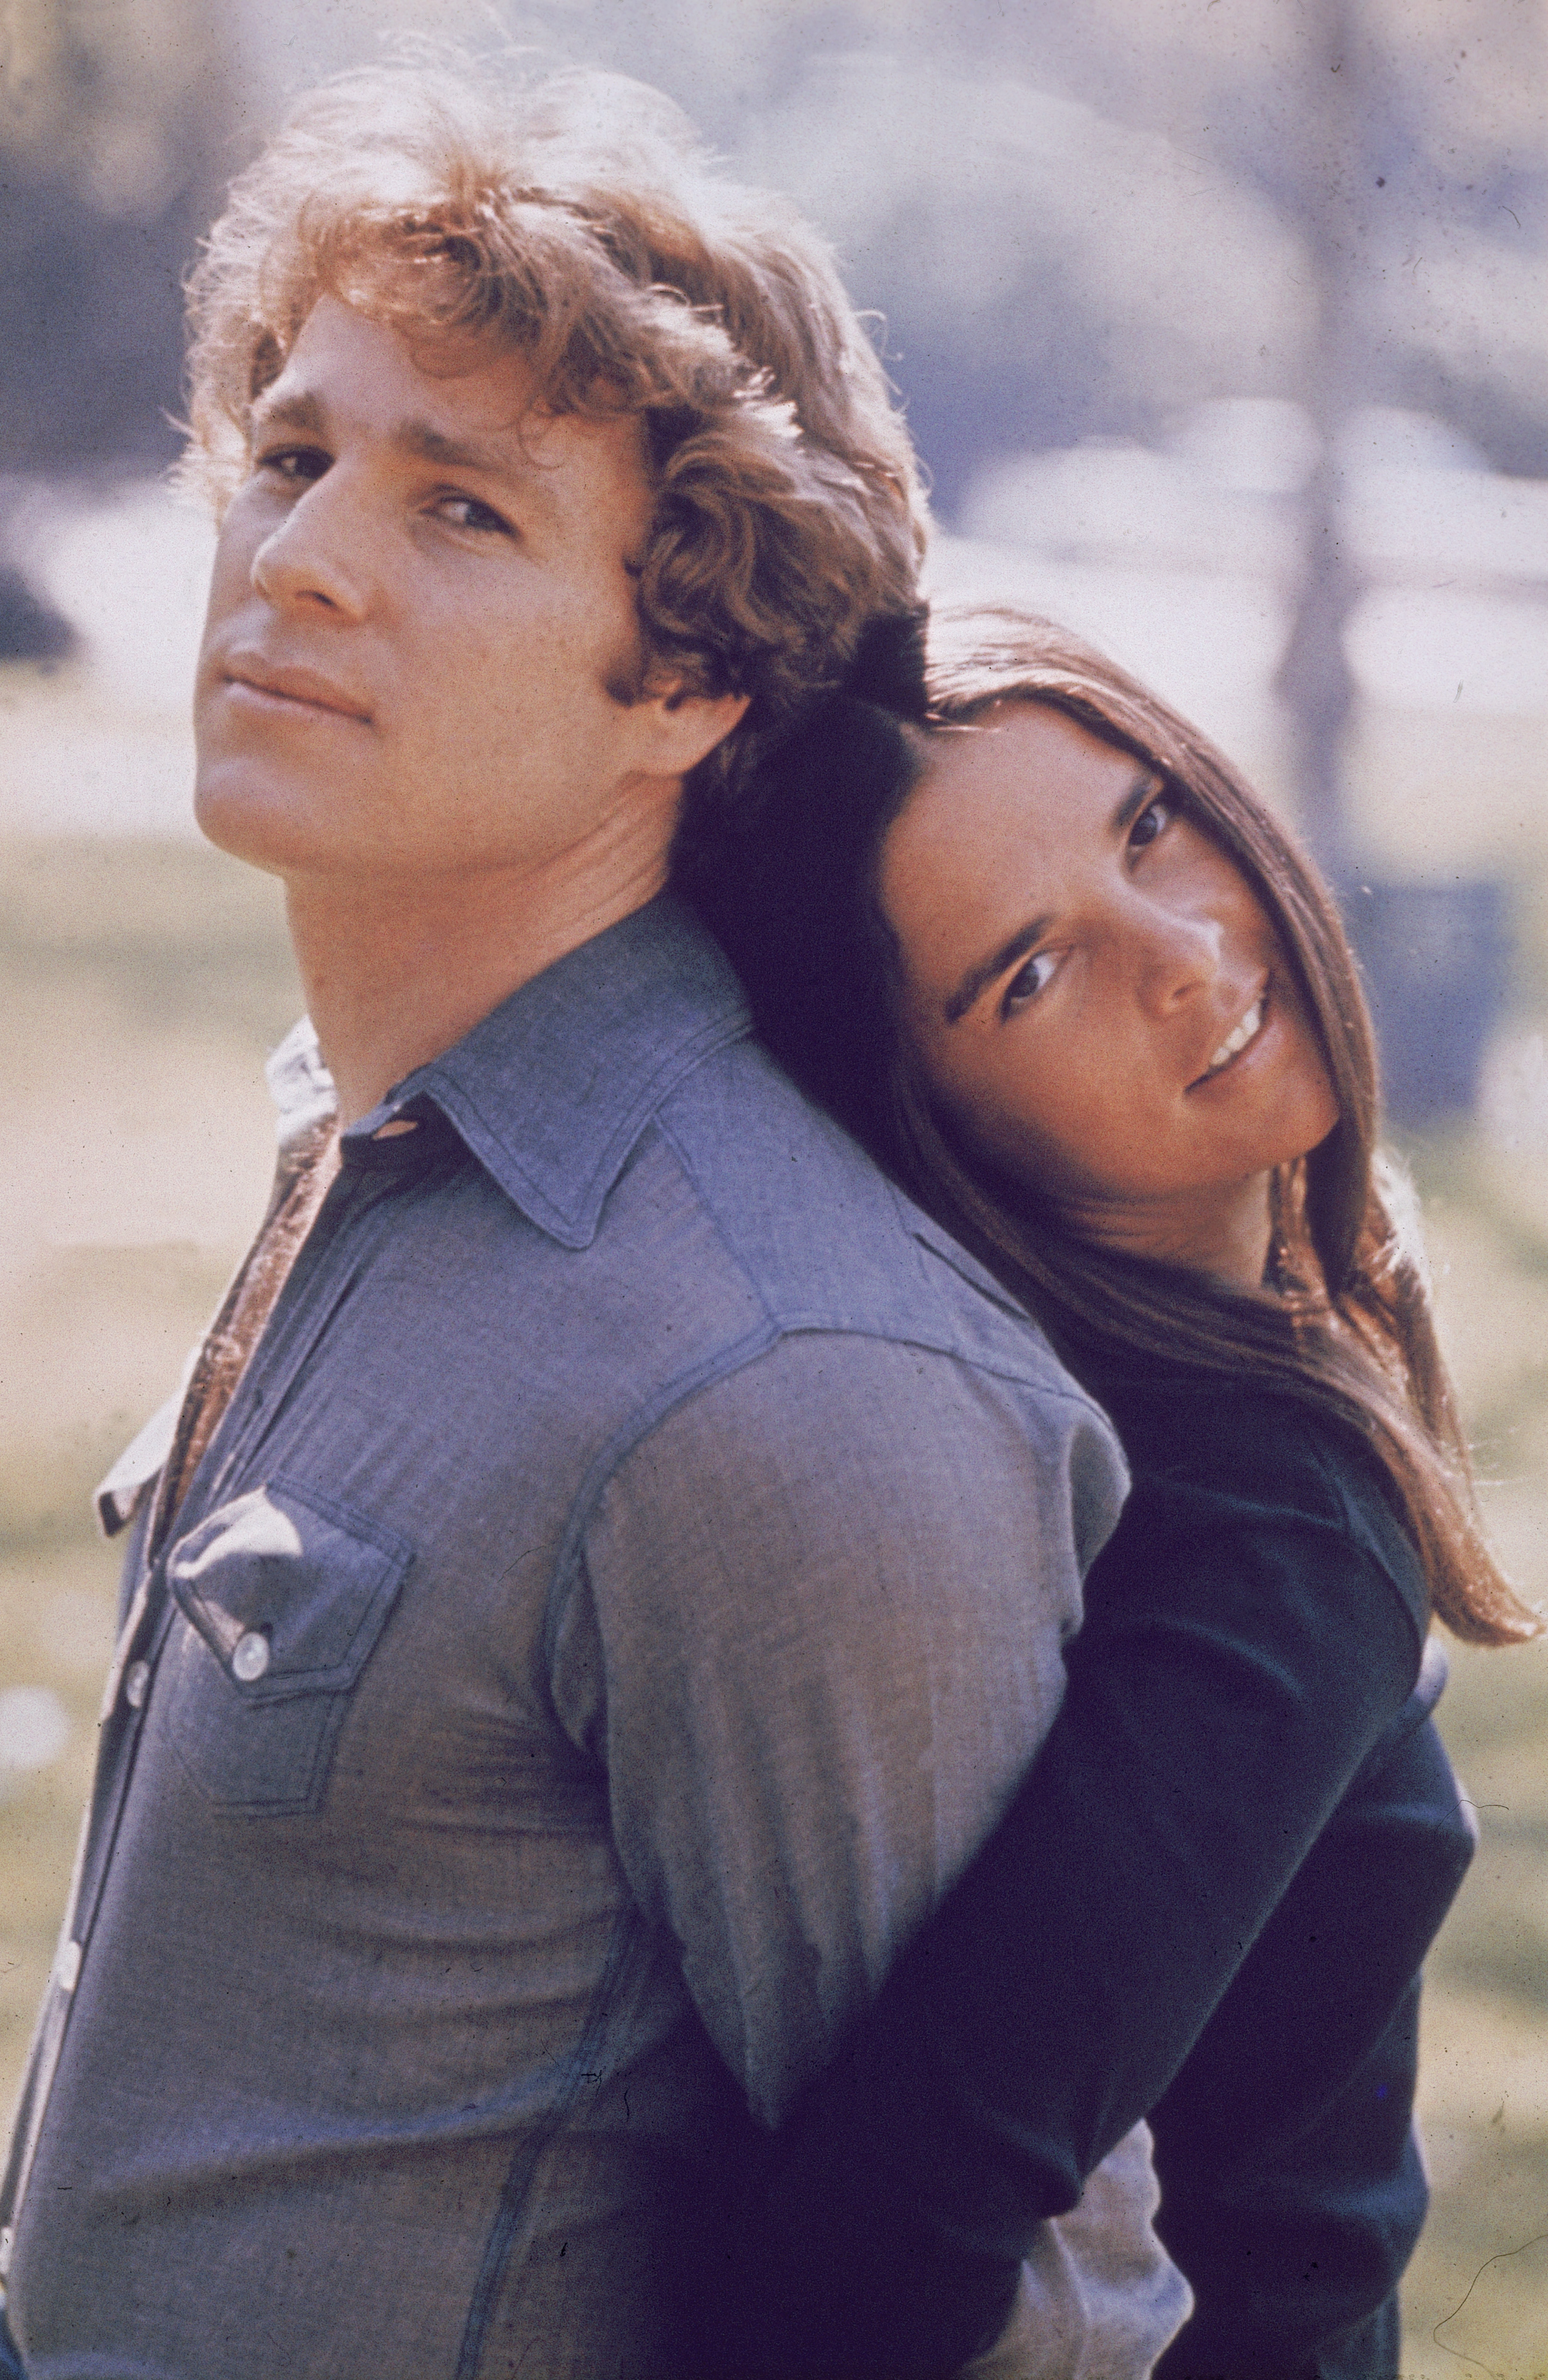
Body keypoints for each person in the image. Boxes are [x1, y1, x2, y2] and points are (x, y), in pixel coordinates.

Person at [0, 69, 1193, 2380]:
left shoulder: (774, 1380)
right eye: (293, 453)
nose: (306, 554)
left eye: (461, 507)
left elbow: (1020, 2324)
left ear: (694, 679)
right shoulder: (363, 1150)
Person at [679, 603, 1541, 2380]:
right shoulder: (1272, 1512)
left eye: (1148, 823)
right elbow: (894, 2221)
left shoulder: (1138, 1402)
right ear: (930, 1120)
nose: (1180, 951)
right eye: (1031, 972)